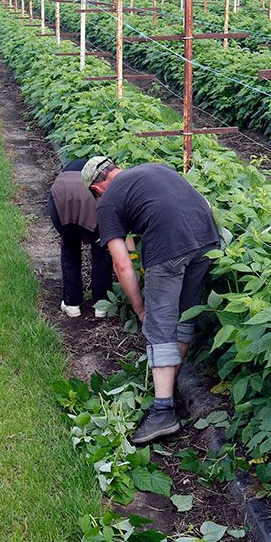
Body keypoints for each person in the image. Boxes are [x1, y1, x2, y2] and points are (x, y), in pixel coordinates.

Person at [82, 156, 219, 445]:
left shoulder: (107, 202)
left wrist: (141, 308)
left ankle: (163, 410)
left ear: (97, 187)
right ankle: (169, 386)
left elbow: (122, 264)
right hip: (208, 239)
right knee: (184, 315)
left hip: (169, 248)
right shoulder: (153, 169)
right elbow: (204, 203)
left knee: (160, 325)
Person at [48, 158, 113, 318]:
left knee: (70, 248)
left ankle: (72, 304)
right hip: (93, 203)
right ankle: (101, 306)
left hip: (61, 197)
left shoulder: (66, 173)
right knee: (101, 251)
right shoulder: (101, 177)